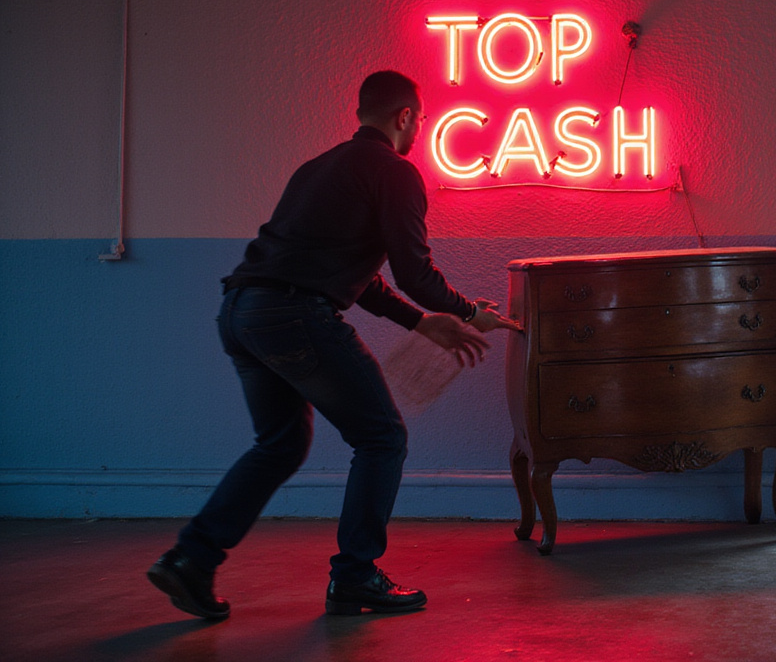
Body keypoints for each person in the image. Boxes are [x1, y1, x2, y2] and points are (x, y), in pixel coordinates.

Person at [147, 70, 523, 619]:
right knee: (381, 436)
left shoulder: (318, 168)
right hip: (295, 315)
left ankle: (191, 560)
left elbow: (359, 278)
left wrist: (422, 324)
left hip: (241, 311)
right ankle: (354, 577)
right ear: (404, 117)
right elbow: (414, 273)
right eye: (420, 119)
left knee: (279, 444)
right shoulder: (395, 172)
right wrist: (468, 312)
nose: (419, 128)